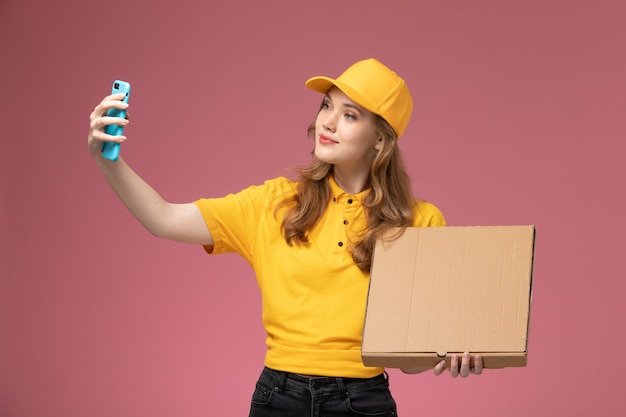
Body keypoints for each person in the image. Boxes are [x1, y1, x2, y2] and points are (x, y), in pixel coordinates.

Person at [88, 58, 483, 417]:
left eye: (350, 115)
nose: (328, 122)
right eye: (327, 106)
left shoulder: (419, 221)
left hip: (364, 402)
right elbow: (164, 219)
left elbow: (409, 358)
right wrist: (108, 160)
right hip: (279, 397)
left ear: (380, 139)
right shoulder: (275, 203)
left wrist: (446, 354)